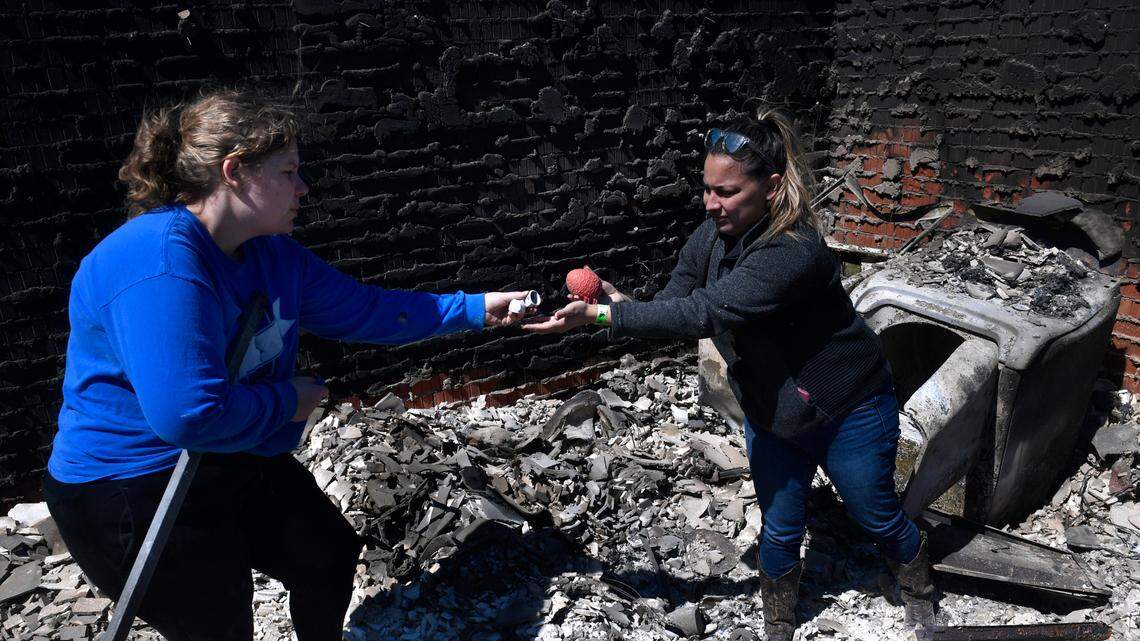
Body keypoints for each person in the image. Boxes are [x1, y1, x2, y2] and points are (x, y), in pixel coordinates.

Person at [44, 89, 531, 641]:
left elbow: (365, 309)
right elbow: (186, 415)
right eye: (290, 172)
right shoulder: (159, 264)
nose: (304, 189)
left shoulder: (271, 253)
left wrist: (476, 309)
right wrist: (290, 401)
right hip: (130, 486)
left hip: (228, 451)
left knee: (326, 555)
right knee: (221, 626)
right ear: (234, 172)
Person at [523, 108, 935, 639]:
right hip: (773, 412)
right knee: (781, 527)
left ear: (771, 186)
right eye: (707, 188)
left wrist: (604, 315)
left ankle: (920, 586)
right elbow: (676, 305)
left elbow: (706, 314)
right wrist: (616, 302)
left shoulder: (793, 250)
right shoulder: (712, 237)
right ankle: (779, 621)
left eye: (727, 191)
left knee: (874, 514)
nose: (710, 203)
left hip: (846, 408)